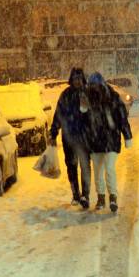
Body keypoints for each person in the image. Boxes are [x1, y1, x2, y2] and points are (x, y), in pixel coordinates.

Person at [84, 72, 132, 212]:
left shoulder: (113, 98)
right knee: (98, 171)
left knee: (109, 168)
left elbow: (122, 118)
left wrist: (127, 136)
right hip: (94, 141)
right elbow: (83, 122)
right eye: (92, 85)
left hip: (111, 139)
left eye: (96, 85)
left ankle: (113, 197)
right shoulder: (87, 99)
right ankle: (100, 198)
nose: (94, 88)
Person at [50, 67, 92, 208]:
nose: (77, 81)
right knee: (71, 166)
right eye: (75, 79)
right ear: (71, 80)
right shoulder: (65, 95)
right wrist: (53, 133)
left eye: (80, 79)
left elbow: (95, 115)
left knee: (85, 166)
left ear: (83, 79)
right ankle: (75, 195)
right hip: (69, 138)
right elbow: (58, 115)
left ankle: (85, 195)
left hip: (85, 137)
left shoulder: (88, 93)